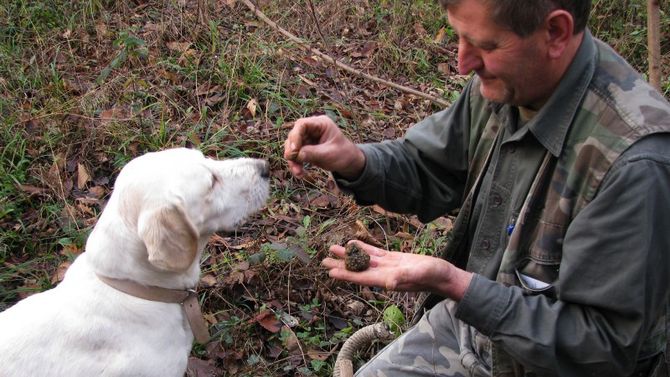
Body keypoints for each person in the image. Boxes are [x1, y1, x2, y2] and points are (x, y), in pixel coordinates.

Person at [284, 0, 670, 376]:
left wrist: (455, 284)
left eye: (485, 45)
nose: (463, 62)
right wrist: (356, 161)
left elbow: (602, 349)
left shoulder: (635, 164)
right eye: (460, 37)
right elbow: (428, 167)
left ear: (555, 32)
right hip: (475, 331)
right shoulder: (510, 82)